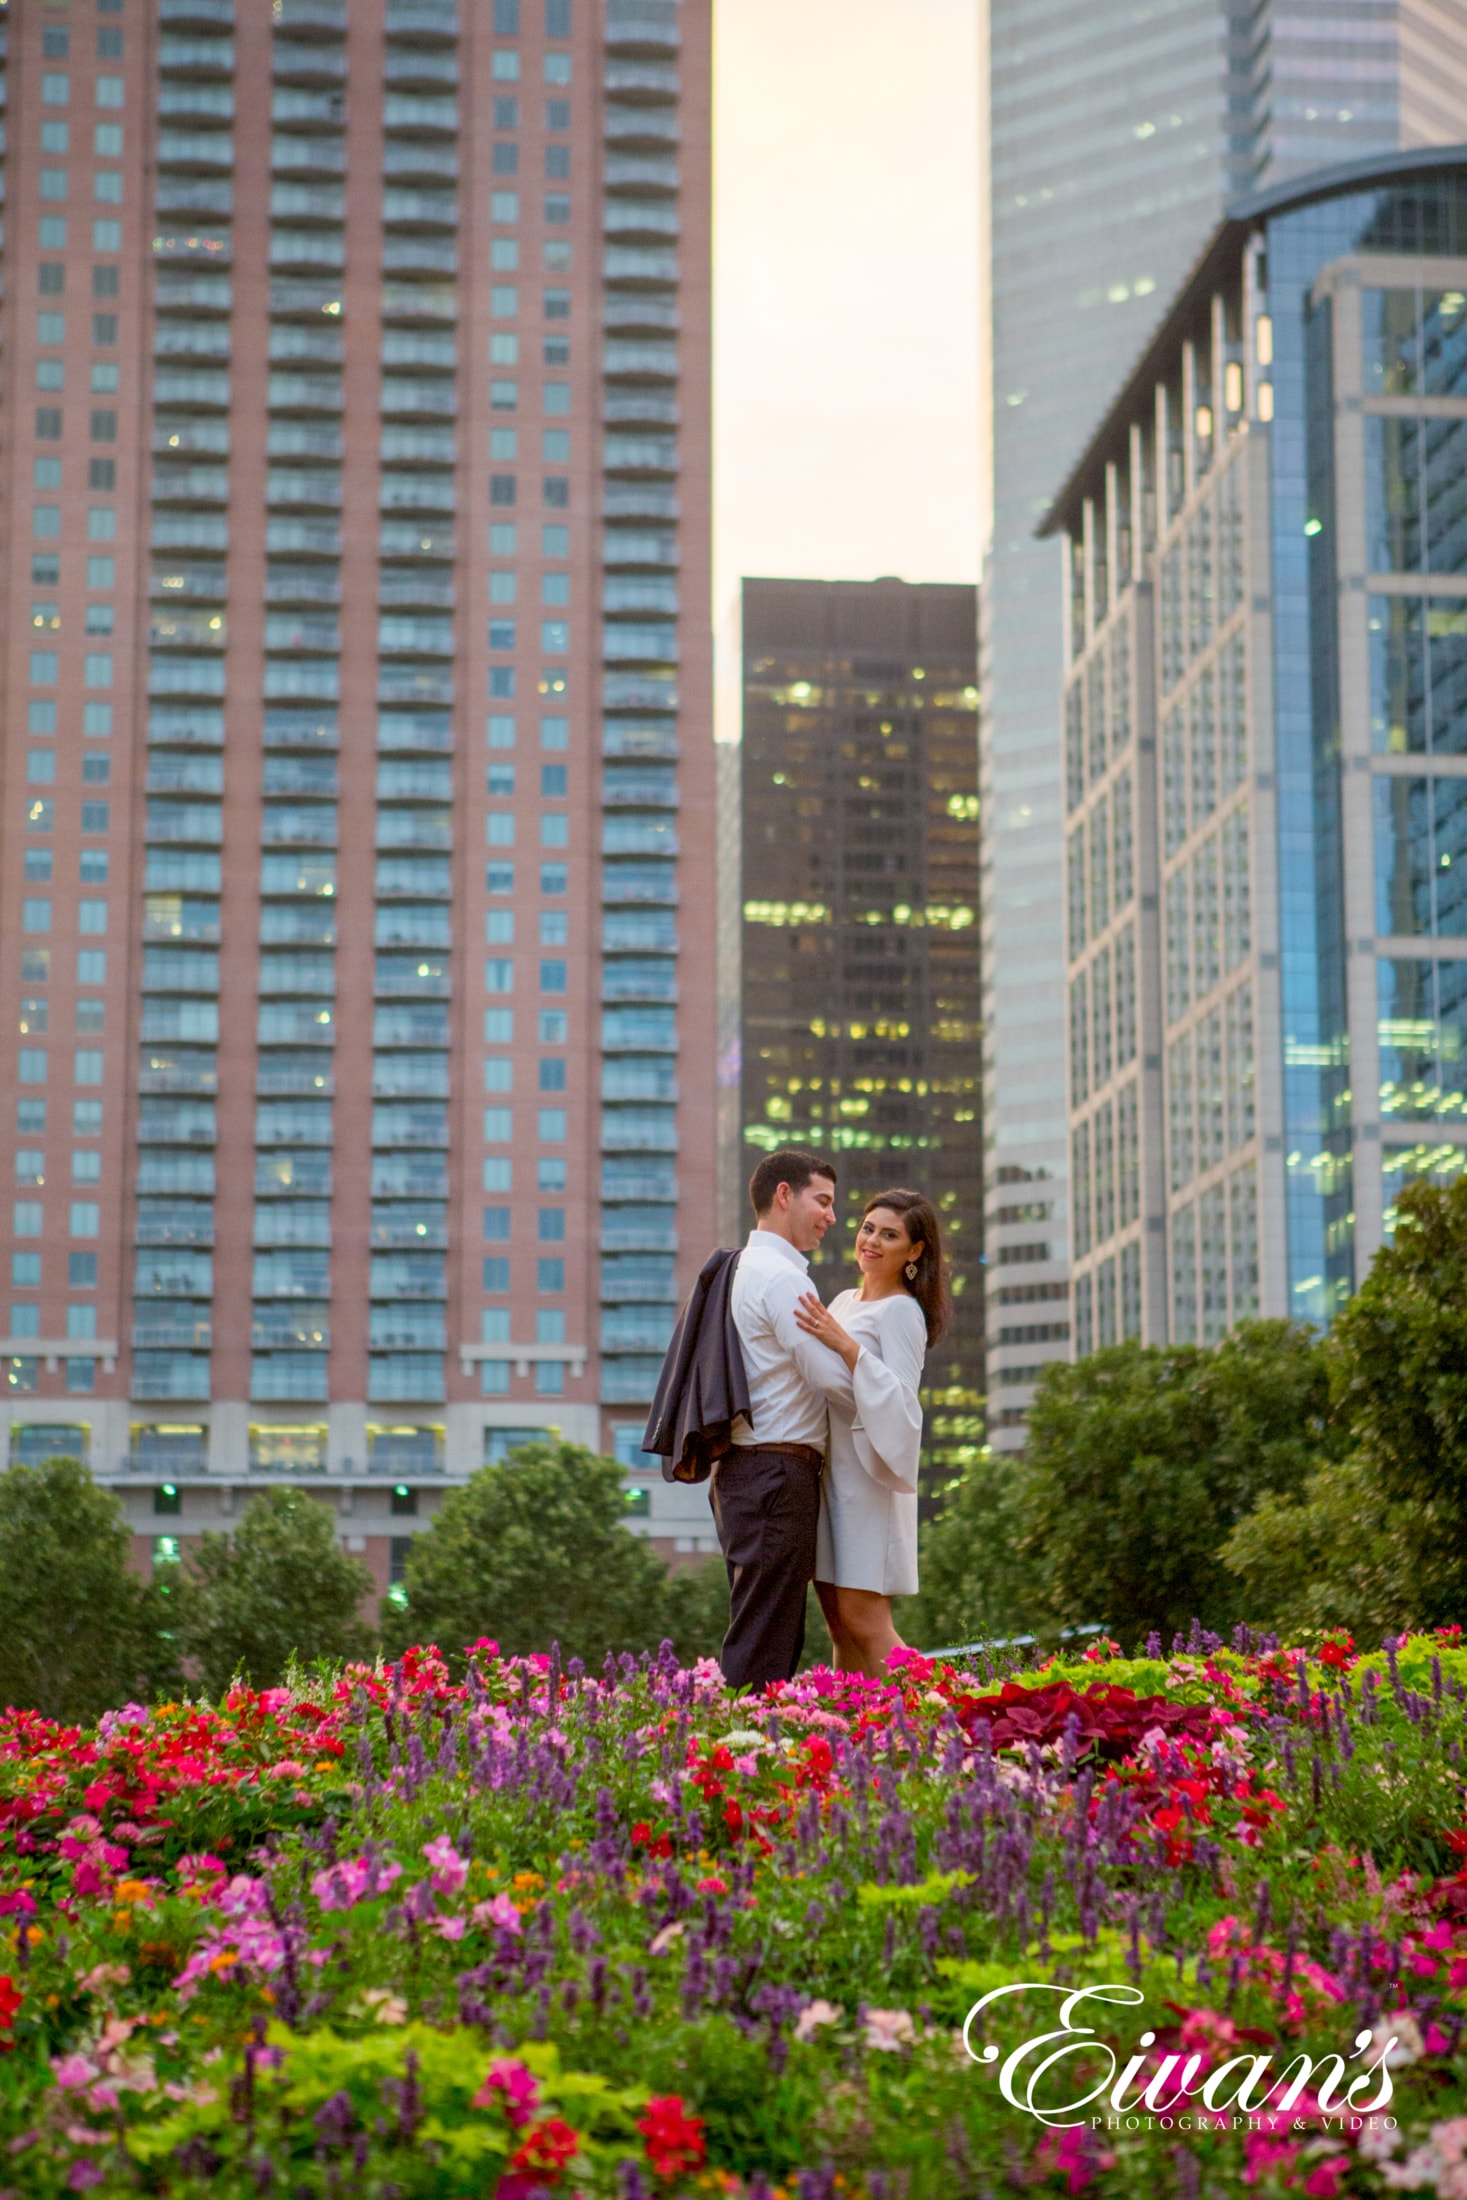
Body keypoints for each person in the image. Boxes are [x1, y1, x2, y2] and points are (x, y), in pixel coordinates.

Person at [715, 1147, 854, 1690]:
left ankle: (745, 1751)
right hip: (776, 1473)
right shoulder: (782, 1279)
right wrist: (865, 1363)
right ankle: (739, 1761)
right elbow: (832, 1380)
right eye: (822, 1200)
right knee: (767, 1638)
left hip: (748, 1473)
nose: (831, 1216)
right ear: (783, 1195)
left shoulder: (740, 1269)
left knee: (763, 1627)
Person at [794, 1189, 948, 1678]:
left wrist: (846, 1347)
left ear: (915, 1251)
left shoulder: (902, 1311)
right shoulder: (843, 1300)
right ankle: (854, 1735)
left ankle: (941, 1723)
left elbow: (903, 1400)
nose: (873, 1241)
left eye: (890, 1234)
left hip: (870, 1479)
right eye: (868, 1228)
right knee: (840, 1625)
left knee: (865, 1619)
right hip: (831, 1474)